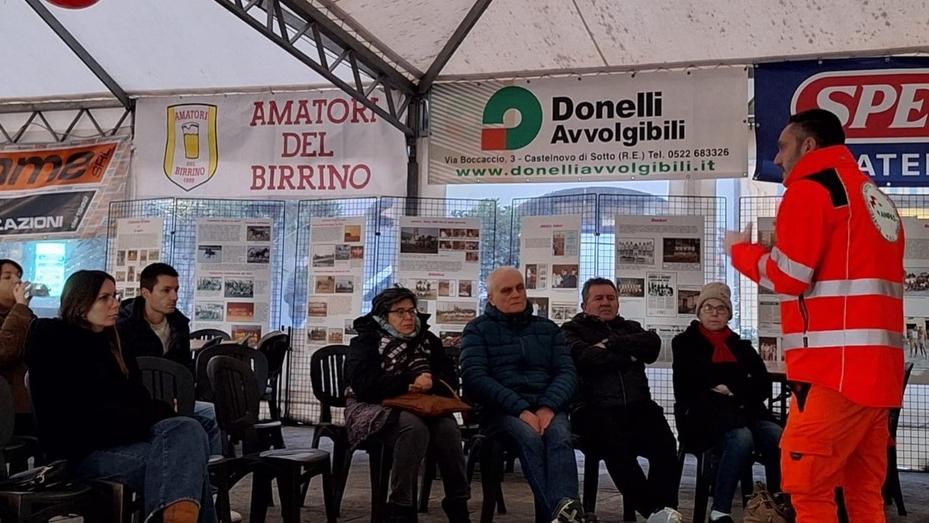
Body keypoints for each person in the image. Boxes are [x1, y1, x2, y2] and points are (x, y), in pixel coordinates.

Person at [727, 108, 905, 522]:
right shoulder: (873, 196)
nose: (778, 158)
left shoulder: (810, 190)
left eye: (783, 146)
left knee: (807, 487)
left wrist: (740, 251)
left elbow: (790, 276)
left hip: (833, 375)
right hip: (876, 378)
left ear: (809, 146)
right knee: (864, 492)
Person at [24, 270, 216, 523]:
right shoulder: (52, 337)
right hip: (82, 453)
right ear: (80, 302)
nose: (115, 303)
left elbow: (136, 401)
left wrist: (147, 416)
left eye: (114, 296)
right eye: (104, 298)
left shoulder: (113, 342)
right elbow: (86, 417)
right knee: (185, 464)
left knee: (186, 428)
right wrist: (142, 419)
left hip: (124, 441)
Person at [460, 267, 593, 523]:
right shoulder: (477, 330)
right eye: (506, 290)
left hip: (548, 407)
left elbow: (567, 373)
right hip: (501, 412)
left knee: (560, 437)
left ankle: (563, 515)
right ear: (491, 298)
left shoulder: (548, 329)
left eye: (520, 288)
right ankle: (565, 515)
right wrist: (521, 409)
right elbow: (476, 379)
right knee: (530, 437)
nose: (516, 294)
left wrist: (547, 406)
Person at [344, 286, 470, 523]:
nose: (408, 317)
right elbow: (365, 386)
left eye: (412, 311)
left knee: (448, 429)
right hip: (374, 405)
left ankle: (457, 501)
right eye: (400, 312)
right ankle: (400, 508)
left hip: (422, 404)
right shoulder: (367, 342)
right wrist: (409, 382)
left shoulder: (428, 340)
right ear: (384, 316)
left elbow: (449, 377)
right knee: (413, 427)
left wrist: (431, 382)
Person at [561, 277, 682, 523]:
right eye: (598, 298)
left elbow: (652, 345)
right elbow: (585, 357)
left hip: (638, 408)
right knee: (616, 445)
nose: (606, 302)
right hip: (593, 410)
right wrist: (629, 357)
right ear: (585, 304)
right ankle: (654, 512)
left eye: (611, 298)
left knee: (666, 444)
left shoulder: (631, 327)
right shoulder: (570, 331)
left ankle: (666, 509)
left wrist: (611, 343)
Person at [672, 282, 782, 523]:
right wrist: (738, 383)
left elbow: (762, 385)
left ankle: (776, 500)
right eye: (708, 307)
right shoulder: (683, 343)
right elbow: (689, 385)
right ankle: (720, 510)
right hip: (701, 416)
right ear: (699, 312)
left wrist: (730, 390)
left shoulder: (741, 346)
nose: (714, 313)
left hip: (748, 412)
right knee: (742, 438)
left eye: (721, 308)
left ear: (729, 314)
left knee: (777, 435)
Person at [116, 262, 223, 457]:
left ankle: (210, 478)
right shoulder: (123, 327)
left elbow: (184, 368)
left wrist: (180, 397)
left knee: (213, 414)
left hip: (175, 399)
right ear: (146, 293)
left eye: (176, 290)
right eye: (166, 290)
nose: (174, 296)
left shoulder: (179, 325)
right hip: (139, 403)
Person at [0, 259, 36, 435]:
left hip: (27, 403)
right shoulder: (20, 312)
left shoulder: (22, 314)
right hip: (7, 408)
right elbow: (4, 352)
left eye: (19, 276)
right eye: (7, 277)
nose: (17, 281)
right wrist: (21, 307)